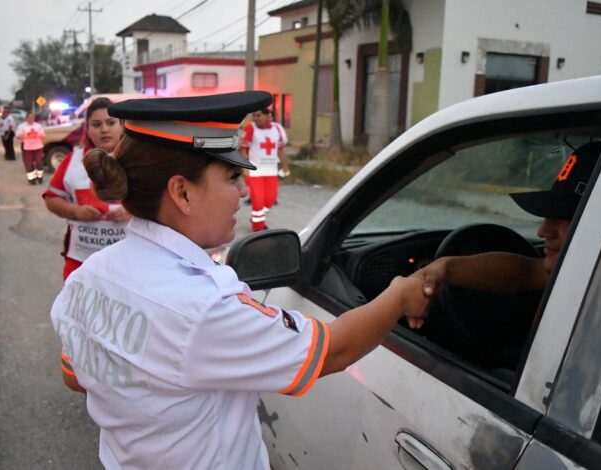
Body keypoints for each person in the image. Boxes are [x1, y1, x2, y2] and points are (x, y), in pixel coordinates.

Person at [49, 91, 431, 470]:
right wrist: (400, 294)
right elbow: (333, 350)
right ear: (182, 192)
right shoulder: (204, 308)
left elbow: (75, 376)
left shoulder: (88, 277)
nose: (243, 192)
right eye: (232, 176)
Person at [413, 141, 601, 329]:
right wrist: (446, 268)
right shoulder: (581, 271)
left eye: (565, 218)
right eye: (548, 216)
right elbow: (527, 272)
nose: (543, 231)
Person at [43, 97, 130, 281]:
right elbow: (51, 199)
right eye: (96, 124)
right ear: (88, 129)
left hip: (128, 263)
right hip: (80, 264)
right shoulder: (72, 161)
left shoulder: (137, 160)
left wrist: (131, 212)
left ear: (122, 125)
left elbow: (160, 203)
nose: (104, 129)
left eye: (111, 122)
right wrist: (76, 211)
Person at [240, 107, 290, 231]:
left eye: (259, 115)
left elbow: (280, 150)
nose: (255, 118)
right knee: (258, 201)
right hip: (254, 171)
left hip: (271, 171)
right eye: (254, 115)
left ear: (269, 116)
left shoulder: (277, 129)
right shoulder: (251, 128)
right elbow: (243, 148)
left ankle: (259, 218)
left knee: (270, 200)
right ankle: (258, 228)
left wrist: (285, 165)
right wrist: (245, 164)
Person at [16, 112, 46, 184]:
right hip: (27, 148)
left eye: (32, 118)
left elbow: (42, 135)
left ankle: (40, 177)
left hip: (37, 147)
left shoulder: (38, 126)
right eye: (29, 117)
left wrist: (35, 136)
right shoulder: (22, 126)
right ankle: (32, 179)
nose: (31, 119)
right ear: (26, 118)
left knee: (39, 163)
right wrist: (26, 136)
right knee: (29, 164)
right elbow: (18, 136)